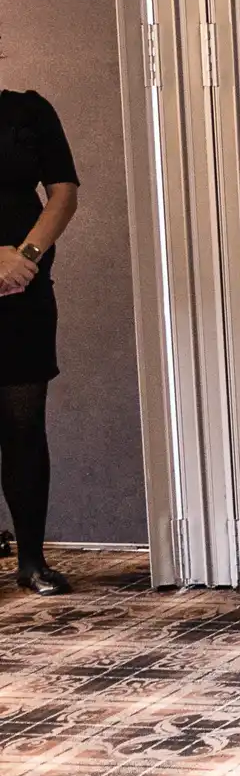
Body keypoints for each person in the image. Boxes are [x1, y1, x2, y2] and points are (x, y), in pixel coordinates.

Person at [0, 86, 79, 596]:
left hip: (20, 291)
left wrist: (24, 257)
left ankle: (31, 561)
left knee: (24, 426)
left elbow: (64, 194)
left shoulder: (28, 109)